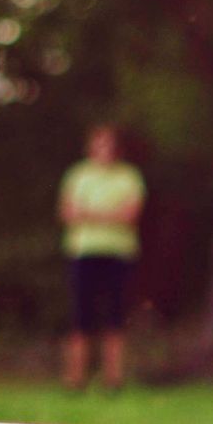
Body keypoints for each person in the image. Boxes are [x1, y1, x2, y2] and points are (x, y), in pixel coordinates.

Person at [58, 123, 145, 390]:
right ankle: (75, 380)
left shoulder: (129, 176)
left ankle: (113, 380)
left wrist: (90, 214)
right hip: (83, 253)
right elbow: (68, 213)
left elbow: (130, 215)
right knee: (80, 318)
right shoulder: (78, 175)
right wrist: (110, 215)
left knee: (115, 319)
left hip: (119, 254)